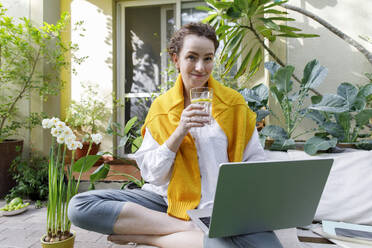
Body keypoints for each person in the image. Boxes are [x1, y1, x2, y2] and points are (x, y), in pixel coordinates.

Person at [68, 22, 283, 248]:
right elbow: (153, 175)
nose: (200, 67)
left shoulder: (233, 104)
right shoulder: (162, 108)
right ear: (176, 60)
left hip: (221, 207)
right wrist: (180, 131)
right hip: (167, 201)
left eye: (208, 58)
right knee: (80, 207)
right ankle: (189, 229)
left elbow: (255, 160)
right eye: (192, 57)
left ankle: (148, 236)